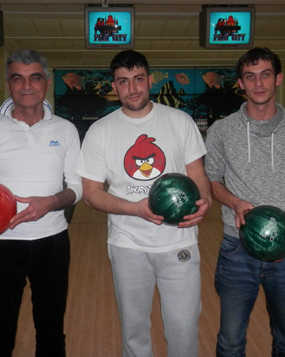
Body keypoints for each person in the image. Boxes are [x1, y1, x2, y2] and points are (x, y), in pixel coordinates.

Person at [77, 50, 212, 357]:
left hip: (178, 242)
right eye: (123, 81)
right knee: (134, 331)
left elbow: (197, 175)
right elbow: (91, 193)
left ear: (150, 80)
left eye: (138, 79)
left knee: (183, 330)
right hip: (128, 245)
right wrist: (134, 208)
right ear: (114, 86)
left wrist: (204, 199)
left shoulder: (180, 121)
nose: (132, 88)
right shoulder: (100, 131)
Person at [0, 49, 82, 357]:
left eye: (34, 78)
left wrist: (50, 202)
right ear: (8, 85)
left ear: (46, 83)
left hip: (53, 242)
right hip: (1, 243)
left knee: (51, 330)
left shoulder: (65, 130)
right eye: (17, 78)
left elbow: (76, 187)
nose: (26, 86)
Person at [204, 47, 285, 357]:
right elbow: (211, 181)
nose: (258, 84)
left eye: (265, 75)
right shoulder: (221, 131)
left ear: (278, 78)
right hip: (236, 249)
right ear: (240, 83)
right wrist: (234, 202)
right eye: (250, 77)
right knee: (230, 341)